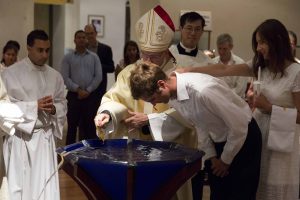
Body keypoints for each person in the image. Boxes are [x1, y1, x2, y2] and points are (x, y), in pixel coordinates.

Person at [178, 19, 300, 200]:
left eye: (263, 42)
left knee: (274, 187)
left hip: (284, 138)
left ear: (278, 41)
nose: (258, 48)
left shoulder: (296, 72)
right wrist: (189, 70)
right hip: (259, 131)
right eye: (257, 42)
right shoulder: (261, 66)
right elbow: (224, 69)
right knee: (254, 185)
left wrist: (269, 107)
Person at [94, 5, 195, 200]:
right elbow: (113, 99)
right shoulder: (129, 72)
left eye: (153, 56)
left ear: (166, 51)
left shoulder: (180, 75)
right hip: (136, 155)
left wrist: (149, 119)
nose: (146, 61)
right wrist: (107, 114)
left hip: (169, 158)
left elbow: (189, 116)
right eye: (144, 54)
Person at [130, 62, 262, 200]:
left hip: (244, 140)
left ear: (162, 85)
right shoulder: (172, 93)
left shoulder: (203, 91)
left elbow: (238, 126)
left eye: (152, 99)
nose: (154, 104)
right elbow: (199, 123)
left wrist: (225, 160)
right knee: (218, 194)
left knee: (240, 195)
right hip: (220, 142)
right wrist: (212, 156)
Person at [1, 29, 67, 200]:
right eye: (40, 50)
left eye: (47, 50)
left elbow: (62, 103)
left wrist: (54, 109)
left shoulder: (55, 76)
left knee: (46, 187)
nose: (45, 55)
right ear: (28, 48)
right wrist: (33, 106)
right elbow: (3, 108)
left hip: (45, 139)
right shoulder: (10, 74)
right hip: (21, 140)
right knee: (21, 188)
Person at [169, 11, 213, 200]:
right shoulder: (167, 54)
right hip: (170, 120)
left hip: (196, 125)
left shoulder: (207, 61)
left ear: (202, 32)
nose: (193, 33)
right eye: (189, 28)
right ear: (180, 29)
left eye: (197, 29)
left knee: (194, 178)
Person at [61, 30, 102, 145]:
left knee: (90, 127)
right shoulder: (68, 58)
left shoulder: (94, 57)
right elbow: (65, 77)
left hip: (90, 97)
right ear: (74, 40)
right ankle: (68, 156)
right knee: (72, 127)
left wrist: (88, 90)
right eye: (79, 37)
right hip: (74, 96)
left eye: (84, 37)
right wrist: (78, 89)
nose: (81, 39)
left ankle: (89, 153)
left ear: (87, 40)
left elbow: (98, 76)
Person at [84, 24, 115, 104]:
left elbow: (111, 68)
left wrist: (97, 65)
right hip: (84, 88)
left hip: (99, 88)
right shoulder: (82, 49)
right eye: (87, 34)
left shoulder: (106, 49)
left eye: (91, 33)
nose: (89, 36)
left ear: (96, 33)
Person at [212, 33, 248, 98]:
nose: (221, 52)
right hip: (217, 100)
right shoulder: (213, 63)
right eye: (219, 48)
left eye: (224, 49)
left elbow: (240, 90)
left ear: (231, 47)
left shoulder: (240, 64)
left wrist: (223, 96)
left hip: (236, 103)